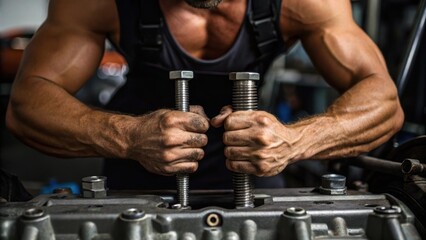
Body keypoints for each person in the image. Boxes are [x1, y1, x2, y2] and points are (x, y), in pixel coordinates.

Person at [5, 0, 404, 190]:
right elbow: (27, 105)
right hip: (138, 161)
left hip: (253, 160)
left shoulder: (304, 3)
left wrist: (296, 140)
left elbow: (383, 100)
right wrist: (129, 137)